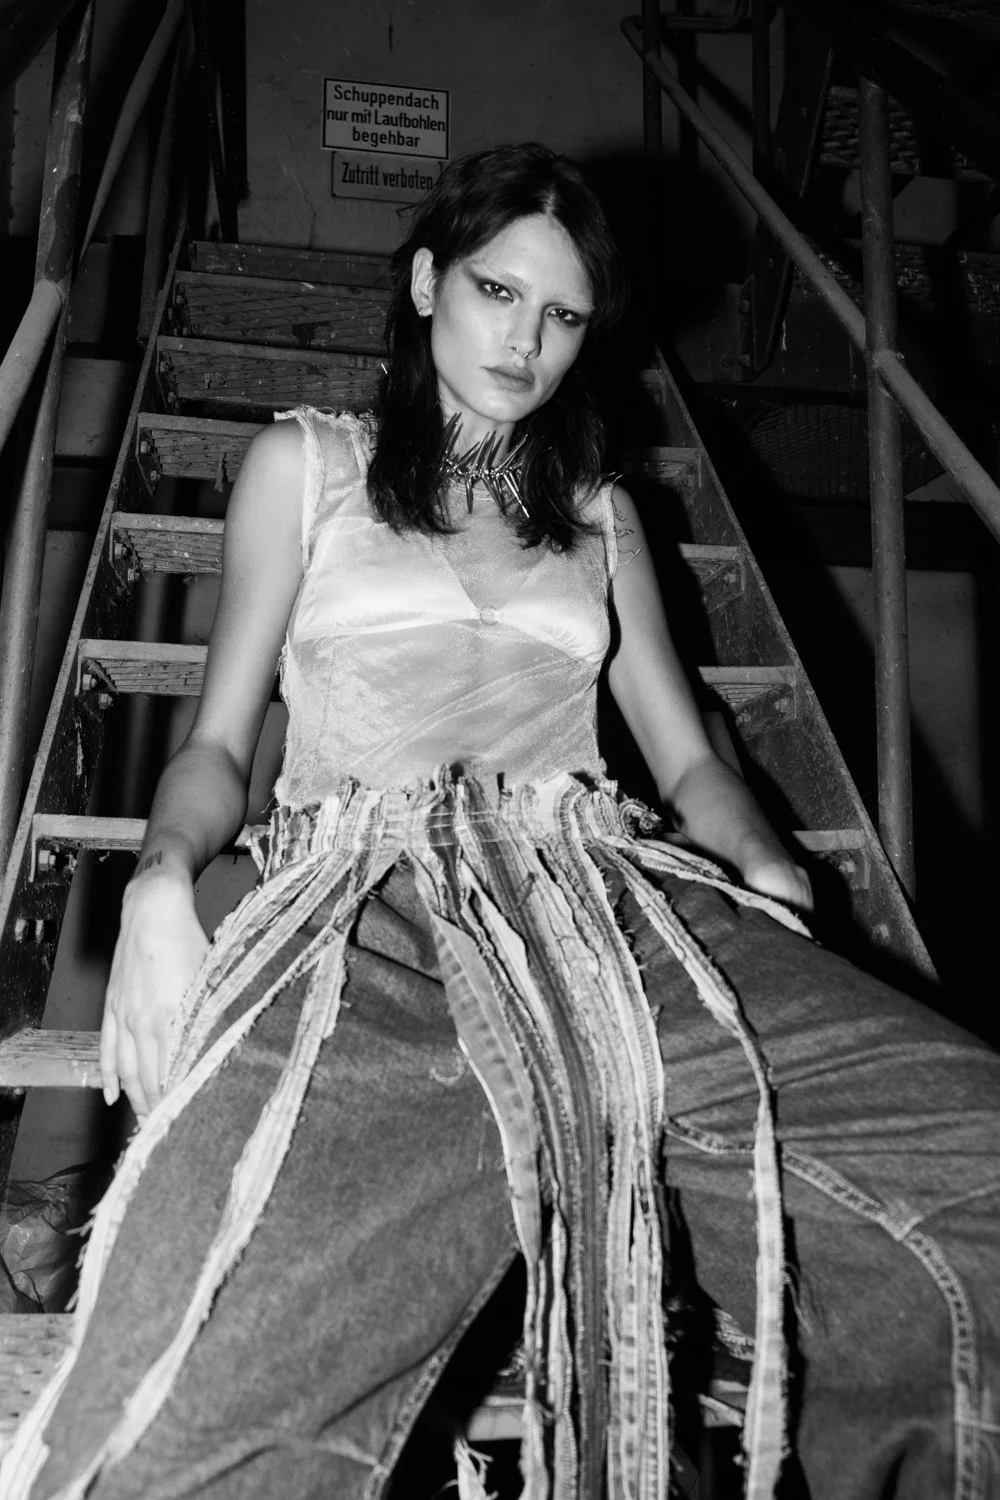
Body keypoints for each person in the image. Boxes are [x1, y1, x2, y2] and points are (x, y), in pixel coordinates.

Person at [5, 142, 997, 1500]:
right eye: (495, 291)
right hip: (369, 909)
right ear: (425, 283)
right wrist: (164, 882)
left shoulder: (602, 513)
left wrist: (766, 867)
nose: (526, 340)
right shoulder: (308, 467)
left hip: (602, 902)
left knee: (970, 1167)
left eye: (565, 314)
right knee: (197, 1366)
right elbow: (223, 743)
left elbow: (687, 752)